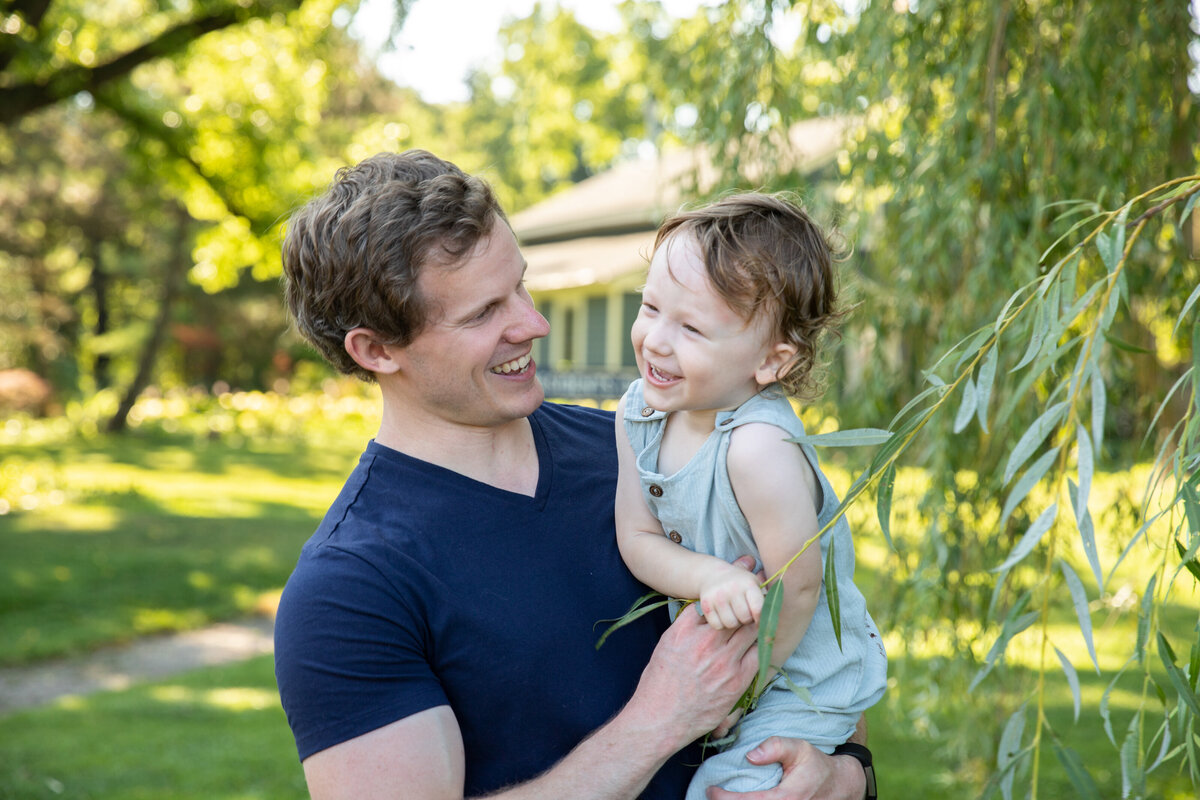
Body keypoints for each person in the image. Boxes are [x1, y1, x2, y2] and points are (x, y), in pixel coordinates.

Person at [272, 149, 872, 800]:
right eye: (483, 313)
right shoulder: (348, 591)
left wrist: (843, 778)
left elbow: (817, 657)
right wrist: (658, 721)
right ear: (376, 350)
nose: (534, 324)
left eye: (521, 287)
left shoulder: (656, 449)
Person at [615, 193, 887, 799]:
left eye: (690, 328)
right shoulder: (637, 414)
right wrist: (709, 576)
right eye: (651, 307)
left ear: (771, 359)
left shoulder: (757, 449)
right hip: (729, 658)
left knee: (734, 788)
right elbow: (637, 537)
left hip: (797, 673)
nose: (656, 341)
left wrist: (740, 693)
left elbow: (798, 586)